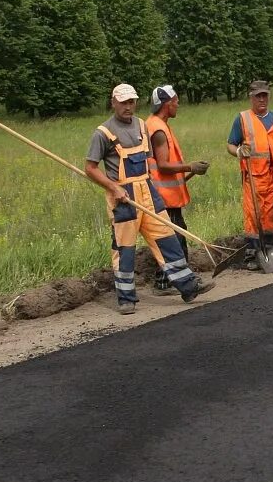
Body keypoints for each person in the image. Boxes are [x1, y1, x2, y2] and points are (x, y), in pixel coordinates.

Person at [85, 83, 214, 314]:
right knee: (124, 248)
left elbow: (152, 163)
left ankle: (188, 287)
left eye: (131, 102)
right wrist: (114, 188)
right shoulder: (102, 133)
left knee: (167, 237)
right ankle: (126, 299)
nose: (128, 106)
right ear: (113, 102)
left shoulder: (142, 126)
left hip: (147, 190)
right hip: (123, 197)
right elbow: (90, 168)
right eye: (123, 102)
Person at [226, 80, 273, 270]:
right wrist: (239, 151)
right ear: (251, 97)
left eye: (265, 95)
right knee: (253, 217)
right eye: (258, 96)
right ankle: (253, 254)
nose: (262, 99)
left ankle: (270, 250)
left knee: (271, 217)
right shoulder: (243, 119)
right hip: (254, 177)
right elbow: (230, 144)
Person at [146, 84, 209, 262]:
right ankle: (168, 282)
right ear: (167, 104)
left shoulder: (154, 124)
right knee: (173, 241)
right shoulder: (158, 130)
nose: (178, 105)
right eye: (176, 102)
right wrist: (191, 167)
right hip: (165, 199)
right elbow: (163, 165)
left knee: (172, 239)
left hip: (163, 196)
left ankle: (175, 279)